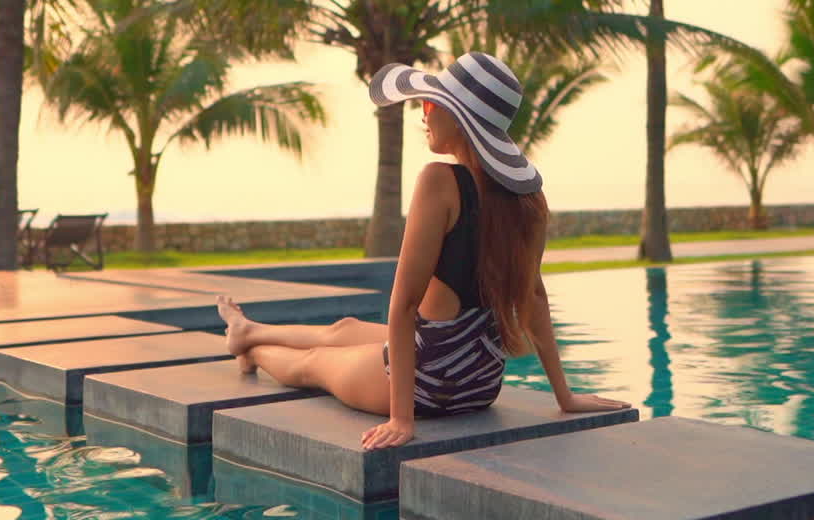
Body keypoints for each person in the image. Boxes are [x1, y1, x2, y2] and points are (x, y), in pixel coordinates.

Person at [216, 52, 631, 451]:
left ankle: (251, 351)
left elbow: (404, 304)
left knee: (314, 363)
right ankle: (248, 330)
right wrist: (565, 396)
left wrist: (402, 418)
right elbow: (534, 298)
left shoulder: (439, 181)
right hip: (481, 382)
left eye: (432, 104)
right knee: (343, 329)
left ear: (461, 120)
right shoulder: (528, 200)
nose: (424, 113)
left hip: (430, 381)